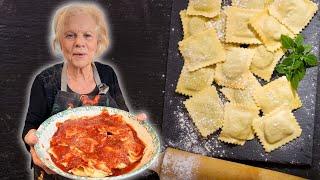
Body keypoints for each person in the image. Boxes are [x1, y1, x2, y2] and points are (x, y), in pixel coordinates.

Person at [22, 2, 158, 179]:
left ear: (98, 42)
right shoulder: (45, 81)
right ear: (59, 42)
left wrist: (134, 122)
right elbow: (29, 129)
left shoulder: (107, 74)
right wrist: (32, 144)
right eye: (70, 35)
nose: (79, 43)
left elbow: (122, 117)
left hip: (106, 168)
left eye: (87, 35)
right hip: (54, 172)